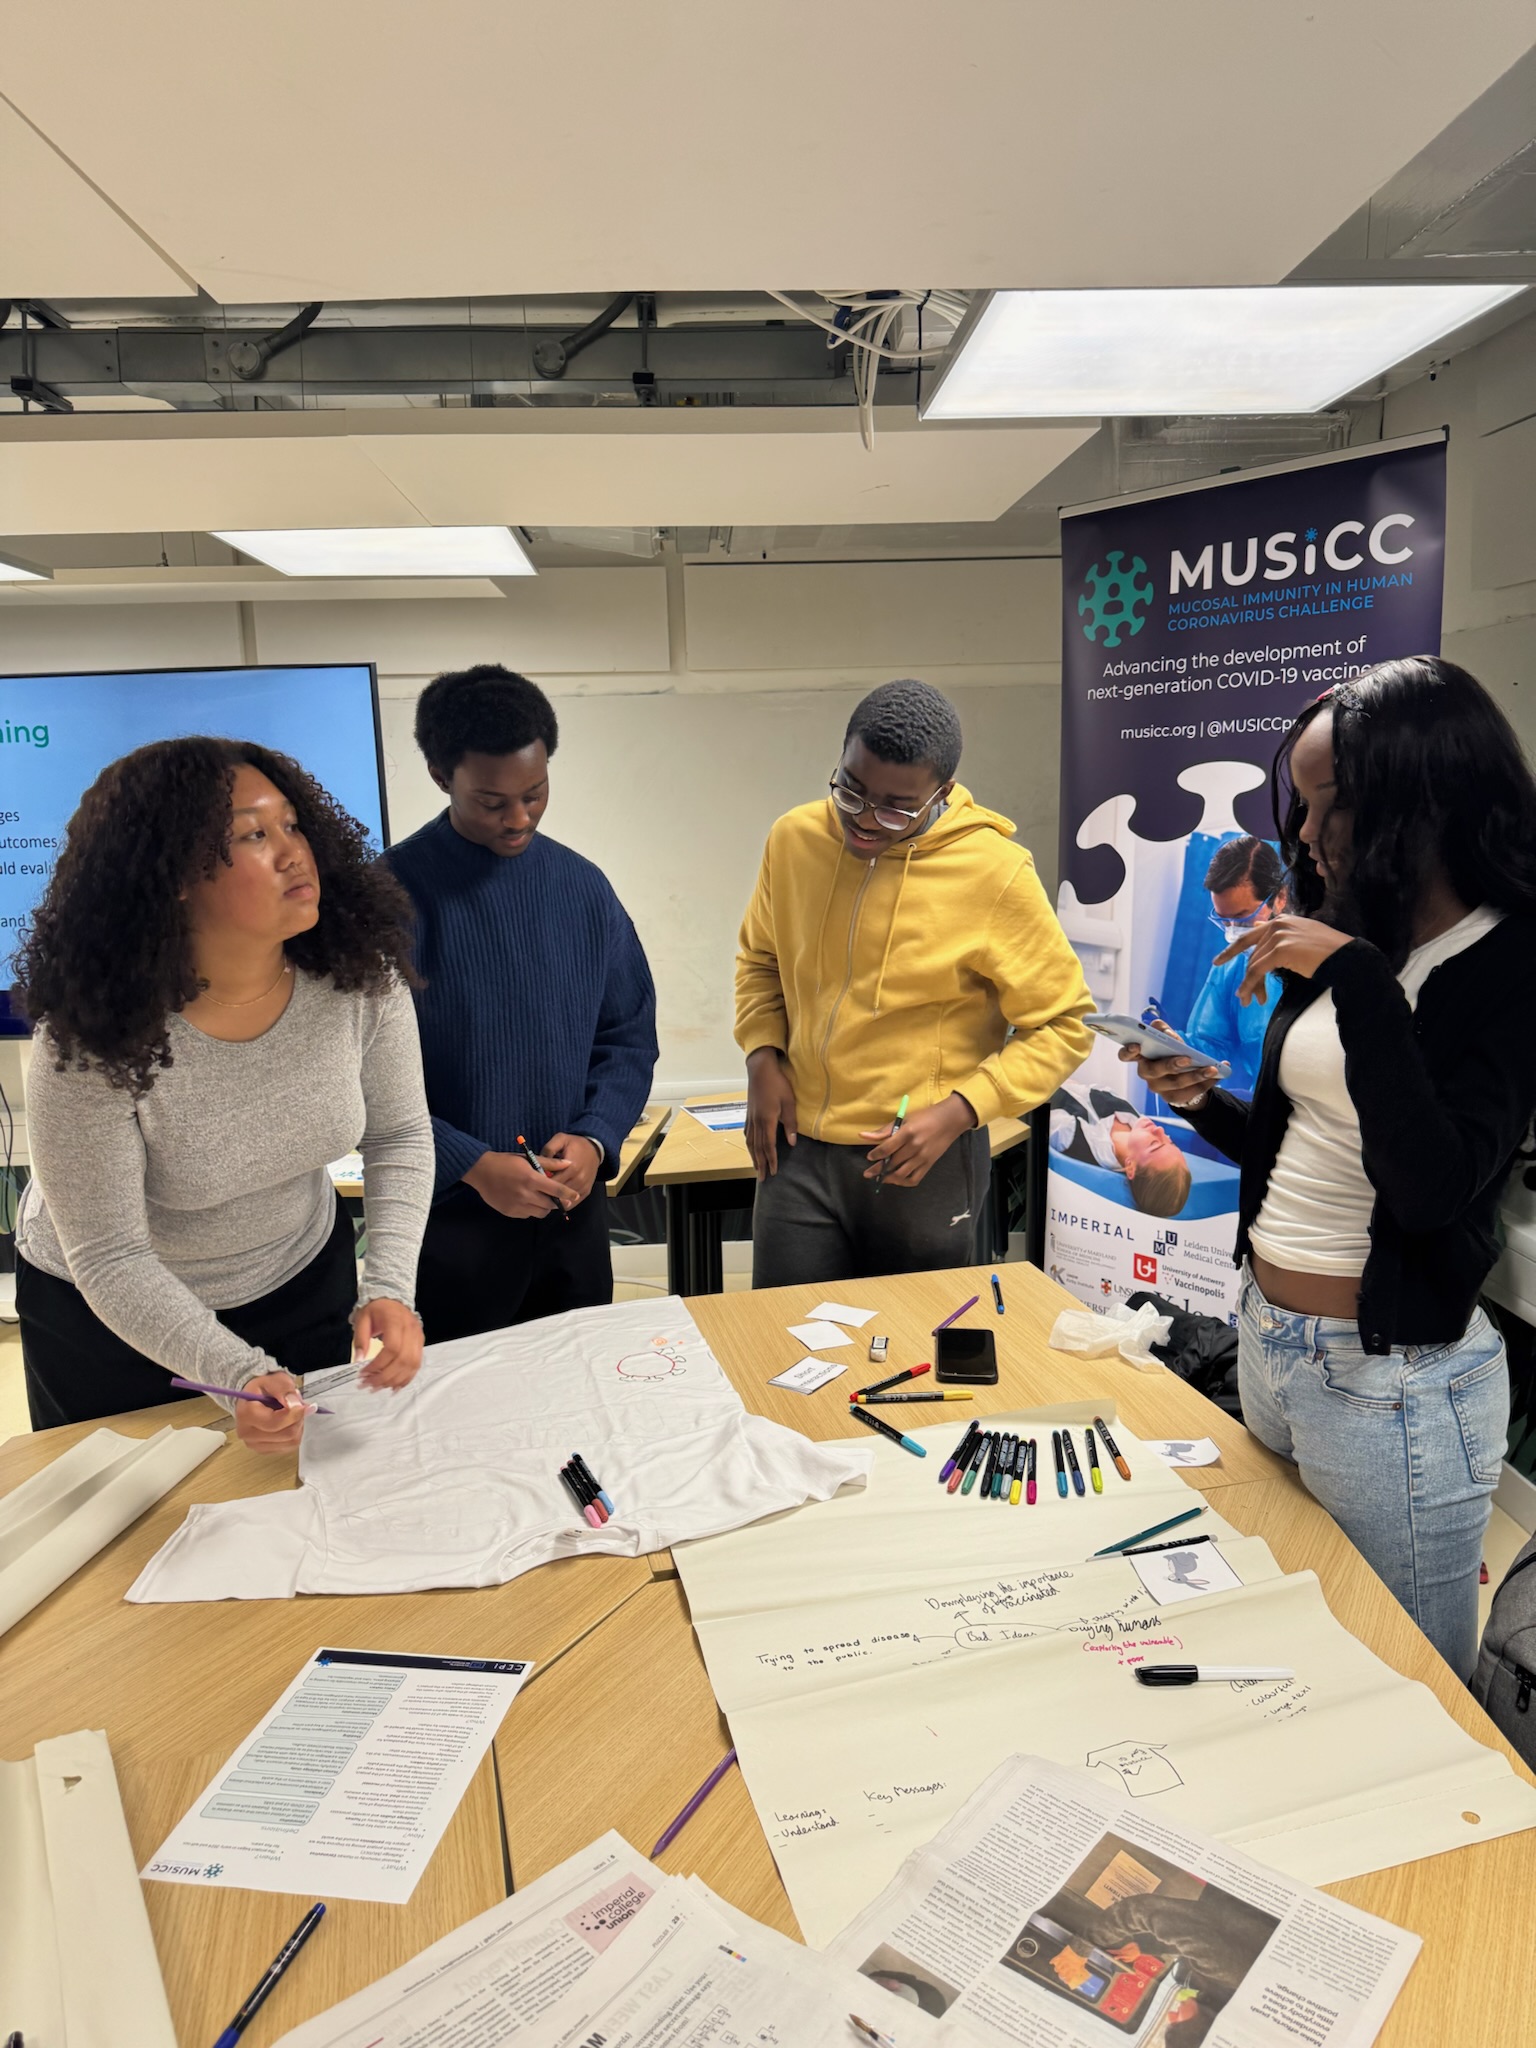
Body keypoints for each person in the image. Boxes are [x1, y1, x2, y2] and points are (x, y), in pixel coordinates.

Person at [1126, 657, 1536, 1678]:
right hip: (1270, 1341)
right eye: (1300, 805)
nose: (1303, 837)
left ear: (1424, 794)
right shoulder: (1357, 933)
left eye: (1330, 806)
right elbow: (1307, 1140)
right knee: (1298, 1648)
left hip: (1391, 1382)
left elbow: (1432, 1187)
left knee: (1407, 1683)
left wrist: (1354, 978)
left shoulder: (1508, 963)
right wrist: (1200, 1098)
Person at [13, 739, 432, 1449]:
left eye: (293, 826)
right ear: (174, 874)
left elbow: (399, 1136)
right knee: (139, 1538)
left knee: (300, 1499)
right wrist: (232, 1370)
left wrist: (390, 1287)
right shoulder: (89, 1038)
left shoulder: (359, 979)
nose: (294, 852)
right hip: (114, 1320)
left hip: (298, 1276)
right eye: (253, 835)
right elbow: (112, 1255)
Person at [737, 678, 1093, 1285]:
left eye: (896, 806)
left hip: (921, 1158)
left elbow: (1063, 1025)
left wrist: (961, 1110)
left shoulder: (995, 872)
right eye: (851, 789)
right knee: (785, 1348)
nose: (865, 820)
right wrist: (761, 1057)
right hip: (796, 1147)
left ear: (942, 792)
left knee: (914, 1354)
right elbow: (761, 960)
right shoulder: (794, 838)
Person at [387, 664, 657, 1341]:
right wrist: (472, 1165)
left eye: (535, 794)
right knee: (461, 1425)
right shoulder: (385, 902)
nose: (519, 818)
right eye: (491, 801)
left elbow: (627, 1036)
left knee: (580, 1406)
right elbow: (354, 1080)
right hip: (449, 1229)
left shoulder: (582, 888)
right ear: (440, 775)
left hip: (573, 1219)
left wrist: (597, 1135)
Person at [1180, 836, 1288, 1094]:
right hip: (1267, 1110)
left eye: (1242, 918)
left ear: (1280, 898)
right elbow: (1208, 1045)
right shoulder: (1231, 967)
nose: (1232, 932)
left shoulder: (1322, 957)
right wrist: (1171, 1046)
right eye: (1223, 921)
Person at [1049, 1086, 1191, 1217]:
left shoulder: (1072, 1137)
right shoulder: (1134, 1120)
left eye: (1154, 1144)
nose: (1159, 1130)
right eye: (1170, 1141)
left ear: (1131, 1167)